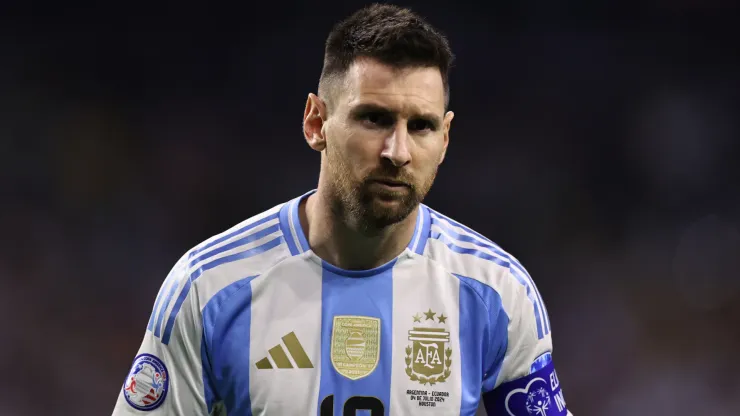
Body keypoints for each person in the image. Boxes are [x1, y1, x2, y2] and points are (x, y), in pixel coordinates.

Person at [112, 4, 572, 415]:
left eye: (422, 126)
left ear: (445, 138)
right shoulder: (208, 289)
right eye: (374, 118)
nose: (398, 151)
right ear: (317, 123)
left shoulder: (496, 294)